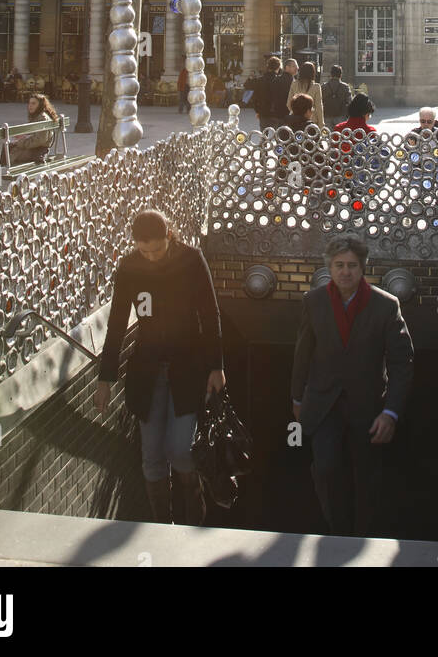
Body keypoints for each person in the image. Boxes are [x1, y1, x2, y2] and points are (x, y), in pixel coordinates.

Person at [94, 208, 225, 525]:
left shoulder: (191, 260)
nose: (151, 257)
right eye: (143, 250)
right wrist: (105, 378)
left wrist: (216, 366)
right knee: (151, 456)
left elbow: (210, 315)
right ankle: (161, 525)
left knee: (180, 449)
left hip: (187, 368)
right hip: (147, 370)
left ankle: (195, 513)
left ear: (169, 235)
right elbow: (116, 323)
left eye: (156, 249)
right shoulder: (129, 267)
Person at [291, 234, 414, 537]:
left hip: (368, 406)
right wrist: (296, 398)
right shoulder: (314, 301)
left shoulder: (386, 306)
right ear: (330, 268)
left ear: (362, 269)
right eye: (339, 265)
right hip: (324, 403)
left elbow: (402, 363)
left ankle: (365, 535)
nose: (345, 271)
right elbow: (302, 353)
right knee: (327, 467)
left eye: (351, 266)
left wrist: (391, 413)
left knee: (368, 476)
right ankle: (337, 532)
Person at [3, 92, 58, 166]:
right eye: (29, 103)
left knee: (7, 150)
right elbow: (34, 135)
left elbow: (39, 140)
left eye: (33, 103)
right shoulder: (37, 116)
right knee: (6, 147)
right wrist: (23, 137)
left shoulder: (42, 118)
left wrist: (20, 142)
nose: (30, 106)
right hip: (35, 148)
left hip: (37, 151)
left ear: (41, 105)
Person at [251, 55, 292, 129]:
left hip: (263, 112)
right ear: (278, 67)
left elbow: (254, 97)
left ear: (268, 66)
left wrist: (257, 111)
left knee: (264, 136)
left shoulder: (260, 80)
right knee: (277, 137)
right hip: (276, 113)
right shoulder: (279, 80)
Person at [288, 60, 325, 130]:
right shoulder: (316, 86)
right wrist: (321, 124)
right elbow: (319, 107)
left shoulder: (294, 84)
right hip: (312, 122)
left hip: (296, 122)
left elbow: (288, 103)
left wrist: (296, 113)